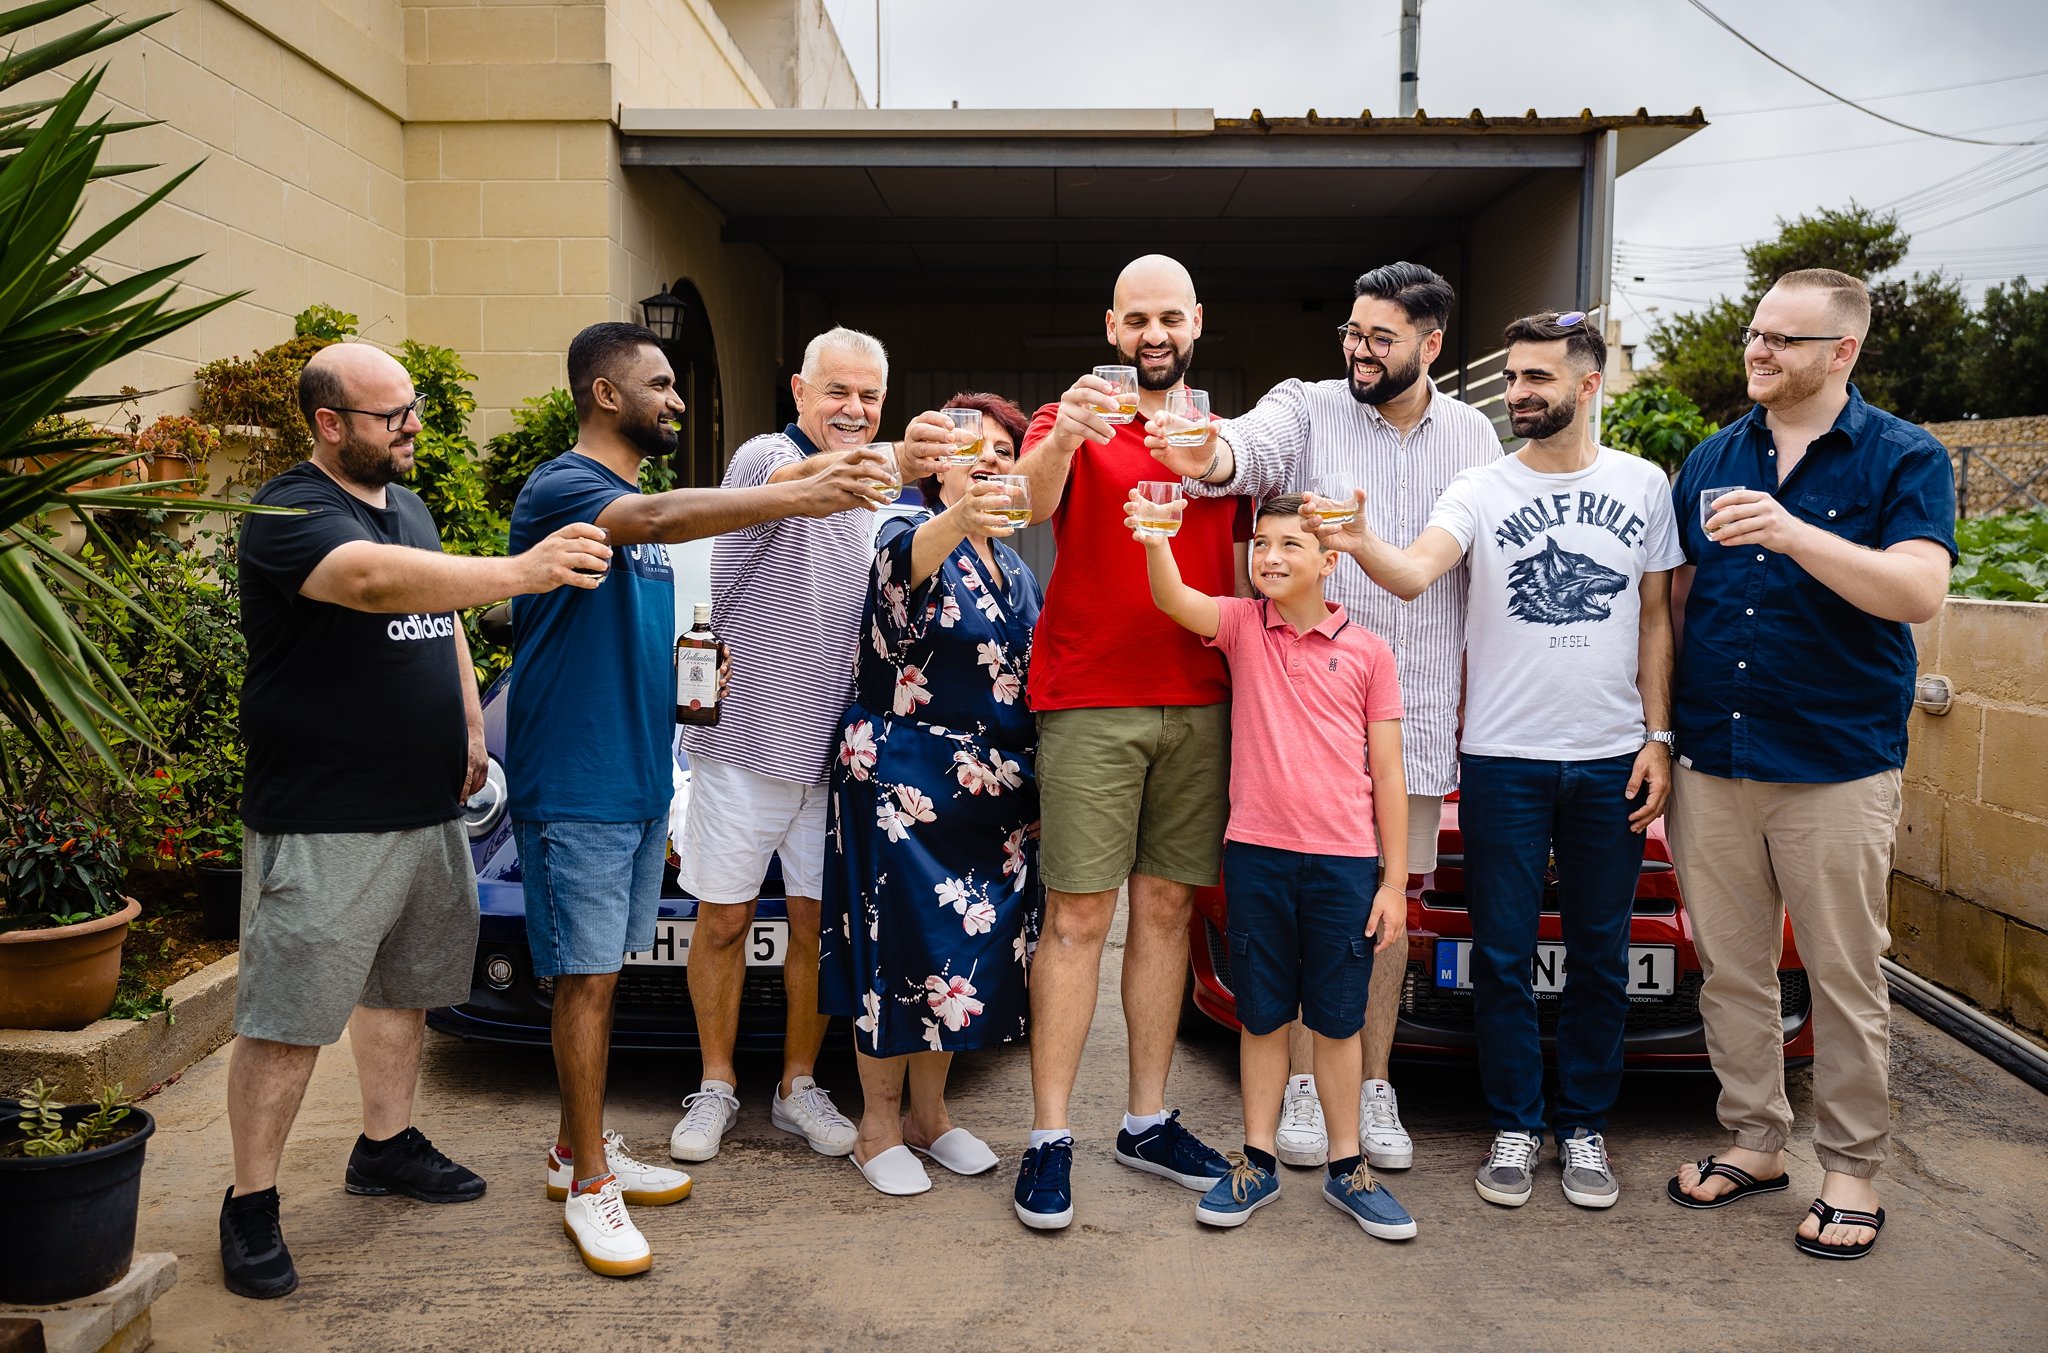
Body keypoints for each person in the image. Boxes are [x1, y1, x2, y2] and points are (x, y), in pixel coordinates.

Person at [220, 342, 613, 1300]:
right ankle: (250, 1202)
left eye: (413, 408)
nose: (411, 427)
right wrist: (523, 571)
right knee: (288, 1017)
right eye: (390, 414)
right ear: (328, 423)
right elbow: (372, 585)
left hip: (427, 804)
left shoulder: (410, 503)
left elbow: (434, 618)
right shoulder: (289, 510)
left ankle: (386, 1146)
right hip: (325, 817)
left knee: (402, 990)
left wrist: (472, 722)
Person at [505, 322, 888, 1276]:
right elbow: (664, 520)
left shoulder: (636, 495)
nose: (679, 401)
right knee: (595, 974)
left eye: (869, 395)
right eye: (663, 385)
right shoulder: (585, 489)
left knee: (755, 937)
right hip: (616, 770)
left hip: (652, 768)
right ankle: (609, 1165)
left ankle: (581, 1155)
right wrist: (807, 488)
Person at [1315, 311, 1681, 1211]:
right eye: (1511, 377)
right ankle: (1516, 1124)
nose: (1517, 393)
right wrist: (1361, 540)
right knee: (1506, 956)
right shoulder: (1480, 488)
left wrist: (1658, 736)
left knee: (1598, 954)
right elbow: (1412, 571)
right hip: (1503, 760)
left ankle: (1584, 1126)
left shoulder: (1642, 485)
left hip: (1610, 759)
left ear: (1587, 385)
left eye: (1537, 379)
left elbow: (1658, 618)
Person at [1161, 261, 1500, 1172]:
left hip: (1414, 711)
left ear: (1431, 345)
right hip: (1291, 716)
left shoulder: (1473, 437)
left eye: (1380, 338)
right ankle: (1304, 1087)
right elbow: (1246, 449)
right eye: (1352, 331)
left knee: (1385, 910)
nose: (1358, 349)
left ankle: (1371, 1084)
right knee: (1292, 911)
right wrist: (1208, 454)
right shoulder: (1307, 407)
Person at [1665, 269, 1954, 1261]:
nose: (1759, 350)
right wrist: (1661, 733)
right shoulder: (1708, 457)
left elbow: (1916, 591)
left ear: (1841, 352)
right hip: (1713, 757)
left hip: (1833, 764)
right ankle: (1752, 1141)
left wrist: (1793, 534)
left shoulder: (1900, 457)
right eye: (1755, 332)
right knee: (1732, 974)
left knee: (1840, 977)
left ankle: (1850, 1171)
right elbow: (1677, 604)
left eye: (1784, 340)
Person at [668, 327, 948, 1170]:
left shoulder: (882, 508)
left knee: (814, 930)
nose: (853, 410)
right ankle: (715, 1083)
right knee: (719, 922)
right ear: (799, 391)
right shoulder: (762, 459)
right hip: (744, 743)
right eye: (838, 393)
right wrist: (900, 451)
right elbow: (803, 485)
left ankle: (796, 1085)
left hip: (836, 760)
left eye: (869, 397)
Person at [1008, 254, 1244, 1231]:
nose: (1154, 333)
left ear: (1196, 323)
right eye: (1136, 318)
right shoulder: (1069, 420)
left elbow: (1249, 565)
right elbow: (1024, 506)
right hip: (1089, 697)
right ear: (1112, 328)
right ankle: (1049, 1137)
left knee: (1164, 910)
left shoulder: (1225, 442)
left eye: (1169, 318)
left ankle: (1144, 1122)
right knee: (1074, 919)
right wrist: (1062, 433)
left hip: (1198, 696)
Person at [1133, 491, 1417, 1241]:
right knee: (1261, 1016)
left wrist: (1393, 881)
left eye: (1291, 544)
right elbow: (1172, 597)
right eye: (1261, 542)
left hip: (1346, 863)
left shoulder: (1369, 651)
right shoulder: (1239, 625)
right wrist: (1157, 536)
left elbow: (1388, 774)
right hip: (1257, 855)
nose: (1270, 556)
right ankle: (1254, 1161)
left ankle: (1346, 1165)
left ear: (1329, 562)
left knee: (1337, 1019)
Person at [820, 392, 1045, 1197]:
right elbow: (902, 569)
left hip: (991, 797)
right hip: (904, 783)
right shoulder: (906, 532)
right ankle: (875, 1127)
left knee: (956, 958)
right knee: (897, 953)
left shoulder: (1015, 566)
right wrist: (959, 510)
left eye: (1001, 449)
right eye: (967, 446)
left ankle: (930, 1116)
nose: (987, 457)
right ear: (935, 464)